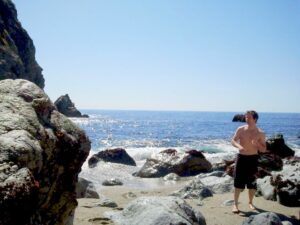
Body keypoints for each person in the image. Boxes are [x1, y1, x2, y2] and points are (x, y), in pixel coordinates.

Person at [231, 110, 267, 213]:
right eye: (246, 117)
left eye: (249, 117)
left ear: (255, 119)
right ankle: (235, 205)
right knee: (237, 183)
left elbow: (263, 149)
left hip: (253, 159)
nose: (246, 119)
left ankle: (251, 202)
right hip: (241, 158)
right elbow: (233, 140)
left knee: (252, 184)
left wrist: (257, 144)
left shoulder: (260, 133)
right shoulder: (241, 129)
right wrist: (239, 146)